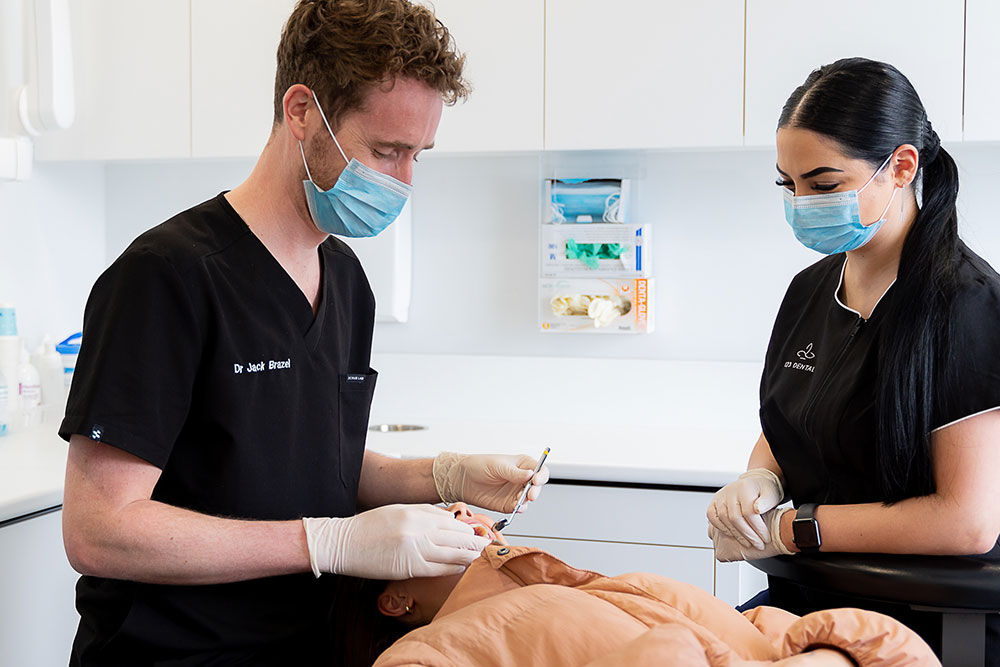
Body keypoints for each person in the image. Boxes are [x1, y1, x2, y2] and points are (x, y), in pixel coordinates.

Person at [58, 1, 548, 664]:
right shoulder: (167, 277)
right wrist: (328, 542)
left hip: (309, 645)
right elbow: (99, 528)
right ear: (301, 111)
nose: (404, 182)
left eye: (418, 155)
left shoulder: (345, 280)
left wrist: (443, 475)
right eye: (386, 150)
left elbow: (314, 463)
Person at [706, 57, 1000, 656]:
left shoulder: (966, 306)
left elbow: (966, 521)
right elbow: (796, 420)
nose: (801, 202)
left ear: (901, 166)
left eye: (823, 184)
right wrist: (759, 479)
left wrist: (793, 529)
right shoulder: (811, 291)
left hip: (925, 620)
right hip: (811, 601)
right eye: (788, 185)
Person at [332, 503, 937, 666]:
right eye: (421, 524)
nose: (459, 516)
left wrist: (823, 650)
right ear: (395, 598)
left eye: (452, 508)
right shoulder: (421, 657)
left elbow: (754, 633)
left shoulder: (585, 588)